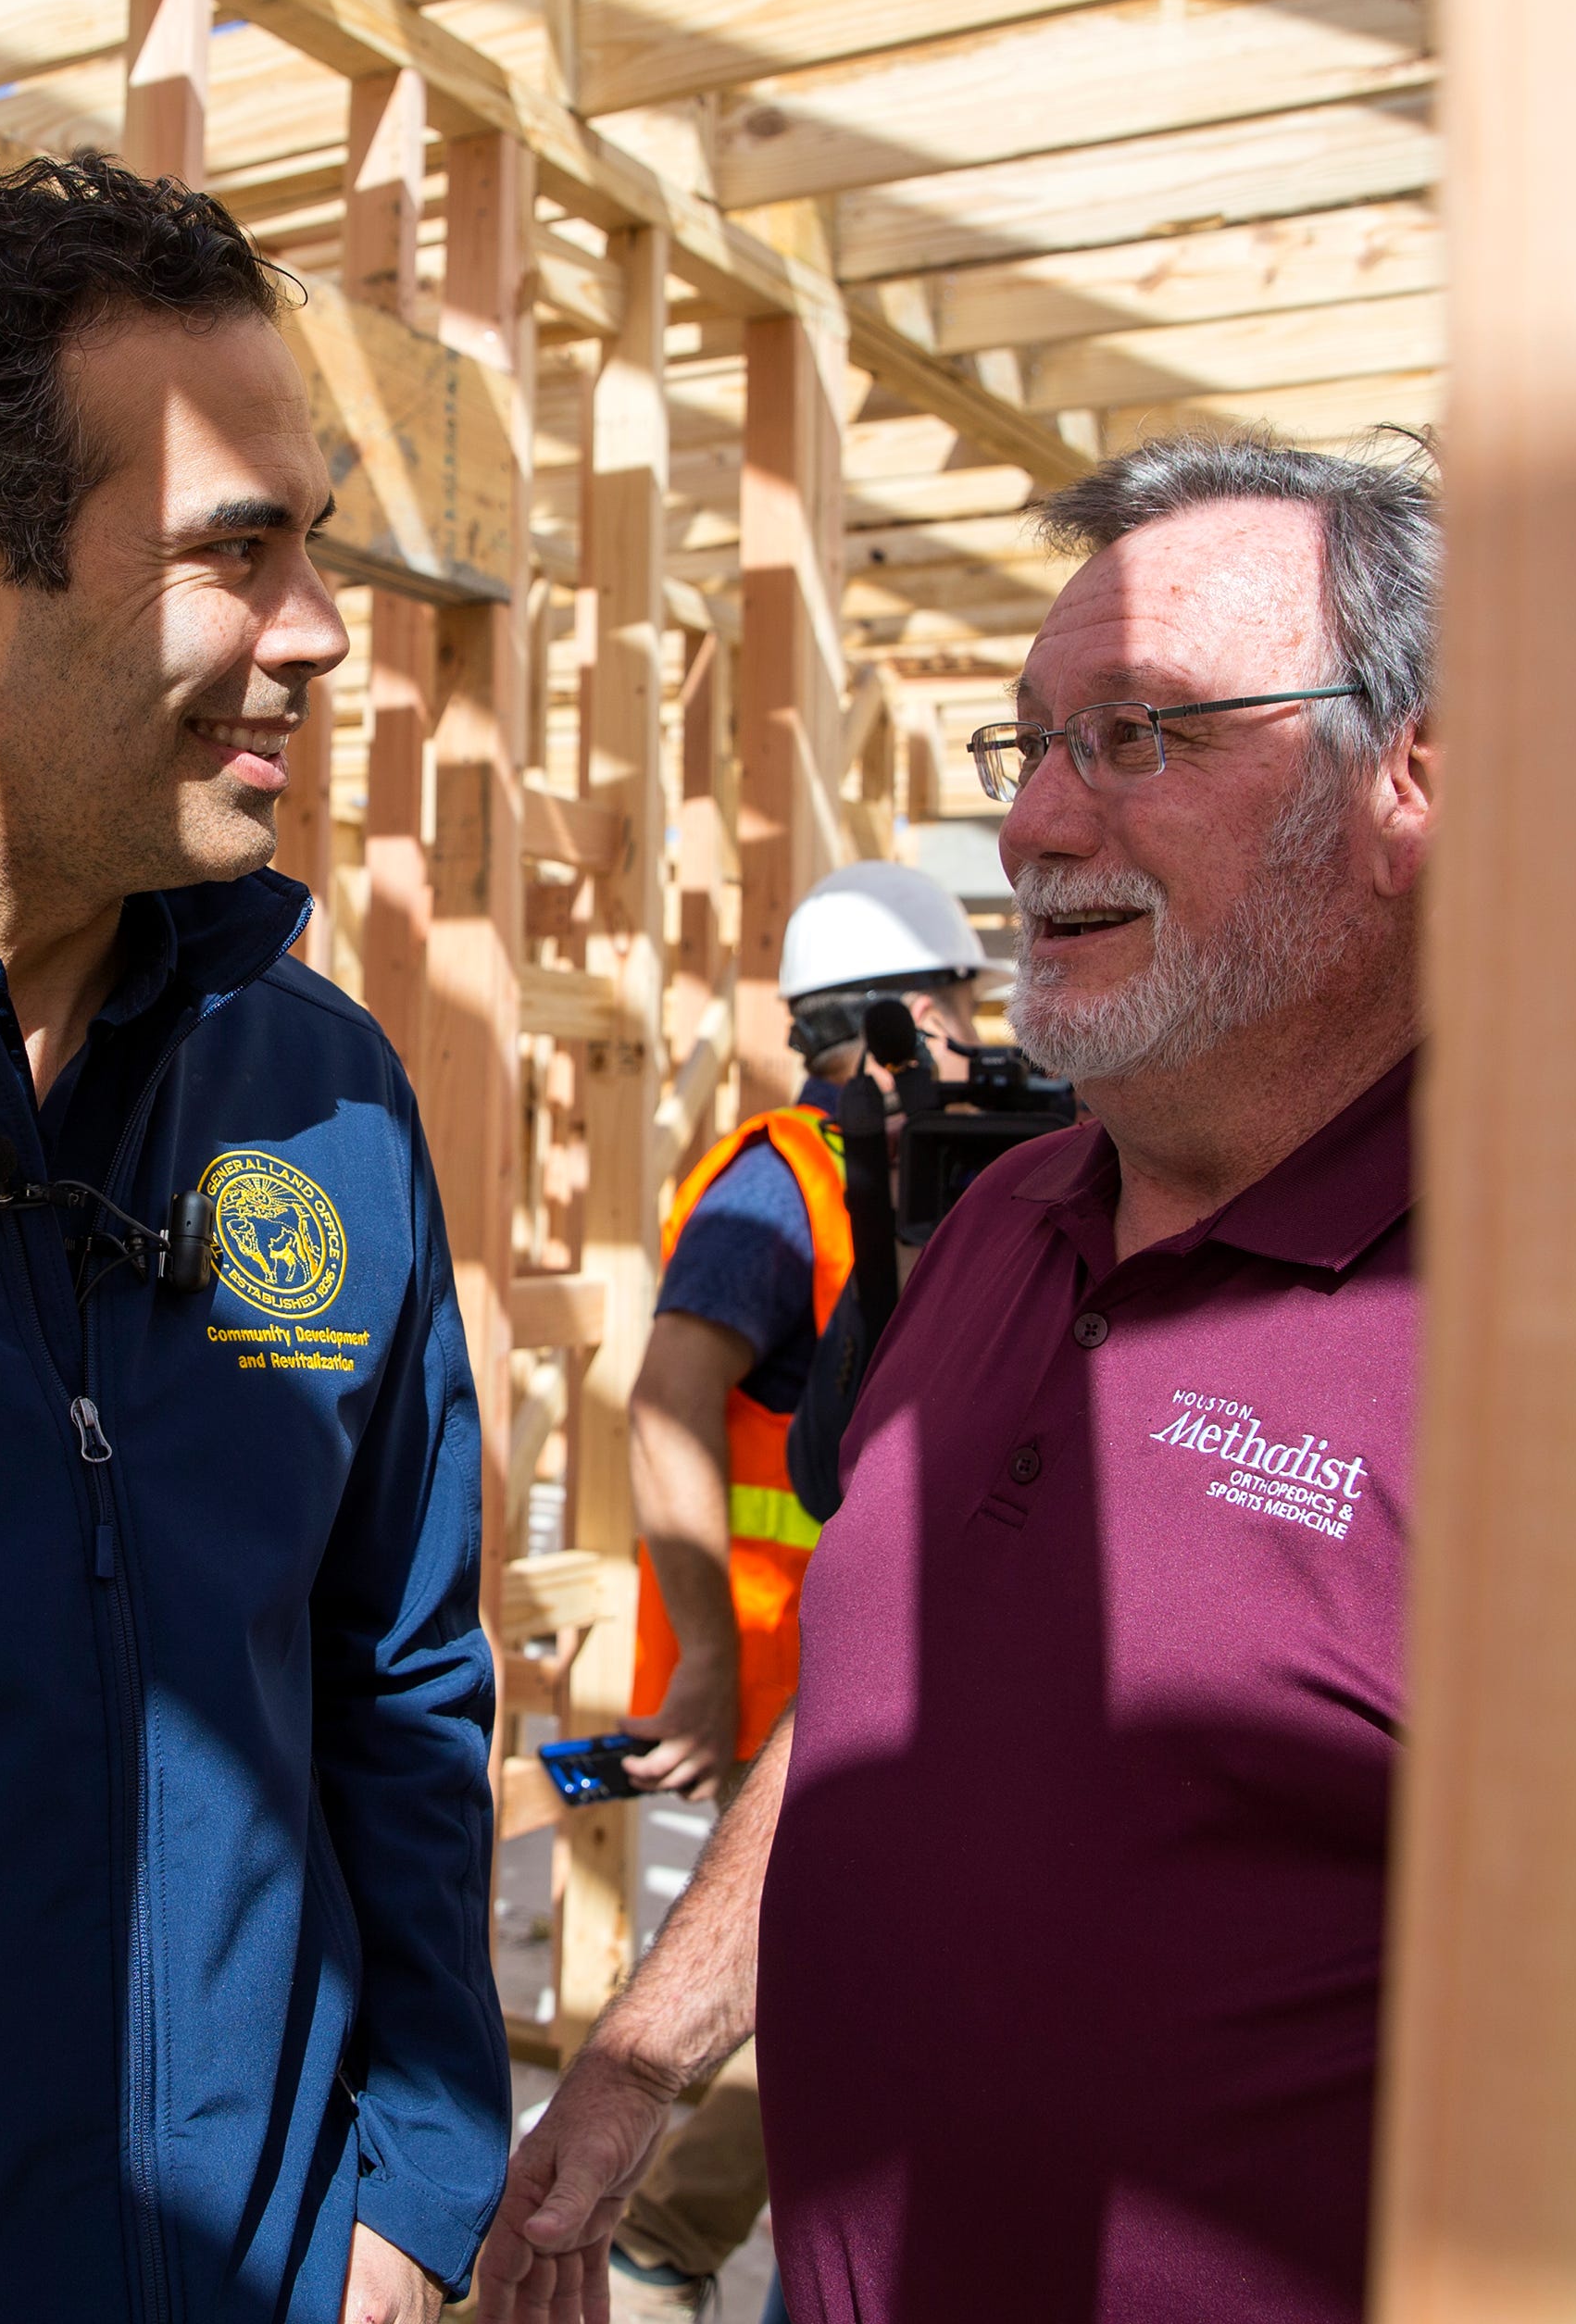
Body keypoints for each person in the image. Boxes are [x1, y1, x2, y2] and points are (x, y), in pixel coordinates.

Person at [478, 435, 1576, 2324]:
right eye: (1034, 744)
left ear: (1418, 782)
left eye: (1144, 734)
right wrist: (641, 2054)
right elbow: (869, 1701)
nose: (1035, 825)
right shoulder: (1006, 1225)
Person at [0, 153, 504, 2323]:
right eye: (236, 553)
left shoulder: (326, 1093)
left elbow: (400, 1676)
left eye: (315, 545)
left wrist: (420, 2174)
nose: (324, 631)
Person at [601, 864, 987, 2323]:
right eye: (962, 1005)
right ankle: (651, 2254)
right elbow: (667, 1401)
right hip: (790, 1670)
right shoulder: (787, 1185)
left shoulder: (941, 1177)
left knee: (853, 2011)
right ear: (907, 1016)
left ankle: (662, 2253)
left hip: (892, 1678)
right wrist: (702, 1656)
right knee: (835, 2006)